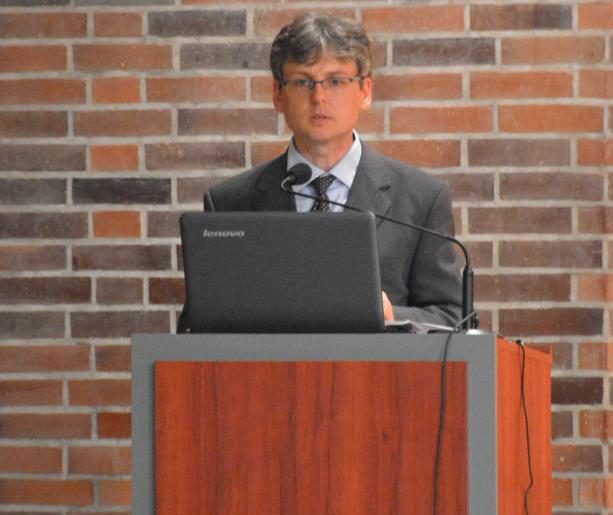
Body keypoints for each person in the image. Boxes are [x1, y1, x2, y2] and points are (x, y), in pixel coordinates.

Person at [194, 13, 464, 328]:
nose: (319, 97)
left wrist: (393, 317)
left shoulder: (422, 198)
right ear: (278, 94)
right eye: (303, 81)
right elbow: (200, 322)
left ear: (365, 91)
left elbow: (454, 317)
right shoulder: (229, 203)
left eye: (336, 81)